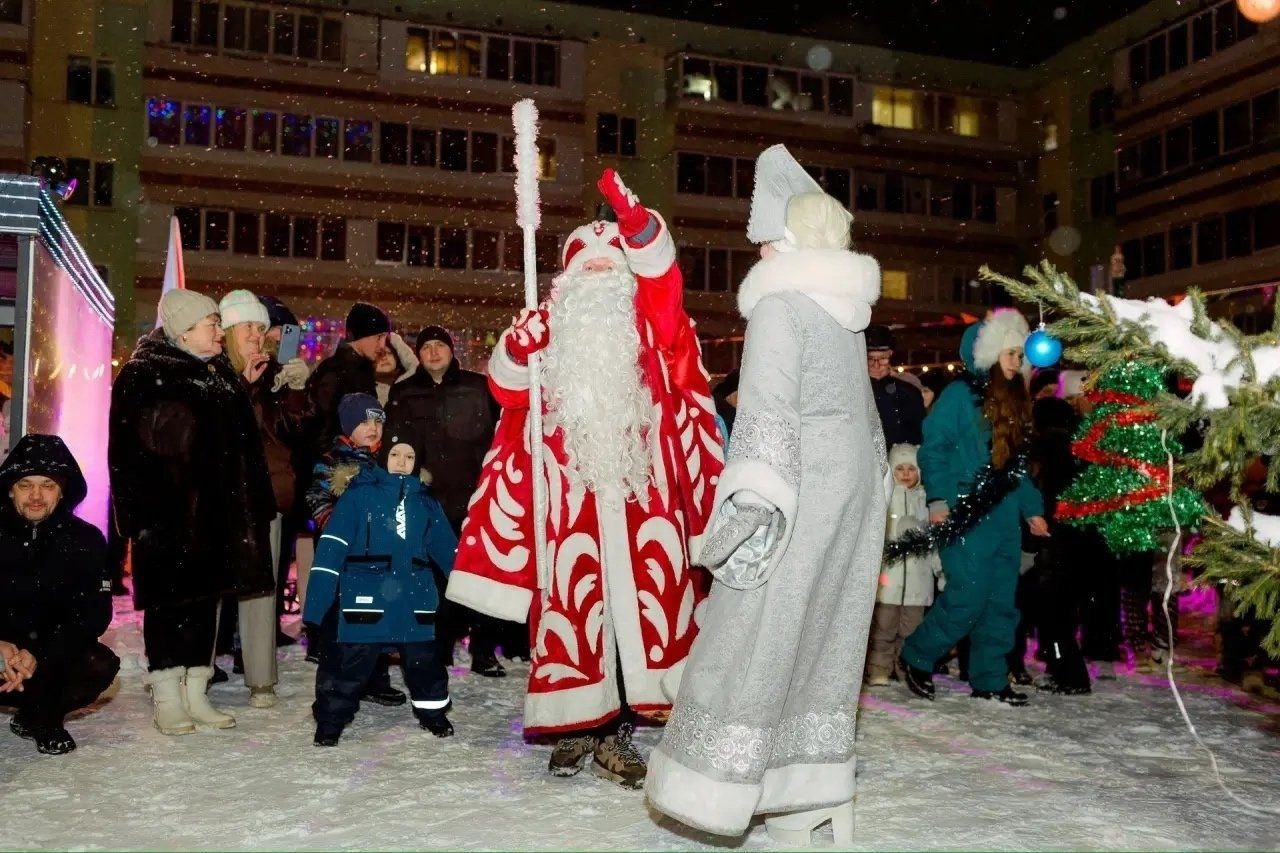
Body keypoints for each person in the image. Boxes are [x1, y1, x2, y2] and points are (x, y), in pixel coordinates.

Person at [446, 169, 724, 788]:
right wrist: (518, 349)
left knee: (640, 620)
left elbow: (665, 287)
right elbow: (505, 391)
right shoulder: (549, 334)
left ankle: (617, 730)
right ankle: (580, 726)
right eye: (586, 272)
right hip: (567, 508)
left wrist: (639, 226)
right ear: (567, 284)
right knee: (573, 620)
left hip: (640, 504)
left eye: (611, 270)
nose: (599, 280)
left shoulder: (653, 333)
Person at [647, 145, 885, 843]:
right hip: (847, 492)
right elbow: (863, 421)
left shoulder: (781, 305)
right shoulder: (845, 312)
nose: (755, 245)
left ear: (782, 238)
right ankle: (809, 792)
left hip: (797, 491)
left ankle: (724, 785)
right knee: (821, 635)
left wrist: (750, 504)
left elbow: (768, 413)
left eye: (762, 234)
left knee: (756, 633)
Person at [109, 289, 276, 735]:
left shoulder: (219, 373)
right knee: (168, 609)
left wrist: (253, 506)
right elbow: (125, 452)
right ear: (184, 331)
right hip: (166, 518)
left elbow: (242, 448)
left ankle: (196, 693)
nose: (220, 333)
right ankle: (167, 696)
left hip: (217, 516)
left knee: (205, 607)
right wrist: (137, 520)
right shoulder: (144, 375)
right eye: (212, 325)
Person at [899, 310, 1049, 706]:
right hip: (965, 513)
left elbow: (1017, 466)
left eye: (1021, 354)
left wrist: (1031, 509)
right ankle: (917, 654)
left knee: (1001, 601)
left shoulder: (1015, 402)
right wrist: (939, 500)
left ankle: (989, 678)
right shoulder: (959, 397)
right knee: (968, 595)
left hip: (1003, 519)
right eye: (1011, 353)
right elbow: (935, 450)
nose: (1018, 361)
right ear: (988, 354)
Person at [303, 441, 457, 746]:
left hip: (415, 595)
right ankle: (330, 721)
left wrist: (472, 588)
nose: (402, 462)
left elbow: (448, 551)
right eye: (395, 454)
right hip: (367, 595)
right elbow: (332, 546)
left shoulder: (426, 502)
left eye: (410, 456)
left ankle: (434, 714)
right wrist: (317, 604)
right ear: (383, 456)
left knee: (424, 662)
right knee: (349, 663)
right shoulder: (358, 495)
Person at [385, 325, 505, 677]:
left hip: (476, 498)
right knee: (435, 579)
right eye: (426, 347)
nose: (434, 352)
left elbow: (500, 435)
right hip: (429, 500)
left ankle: (484, 651)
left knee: (479, 576)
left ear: (452, 351)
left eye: (440, 345)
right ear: (418, 354)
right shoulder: (405, 392)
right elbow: (396, 445)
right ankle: (441, 646)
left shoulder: (478, 387)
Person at [219, 289, 312, 708]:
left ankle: (261, 679)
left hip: (269, 494)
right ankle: (197, 673)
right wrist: (245, 387)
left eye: (263, 328)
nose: (260, 337)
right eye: (251, 328)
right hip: (222, 497)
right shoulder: (215, 373)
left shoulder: (275, 373)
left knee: (262, 590)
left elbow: (296, 431)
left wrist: (295, 389)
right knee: (212, 589)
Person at [0, 435, 120, 754]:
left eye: (48, 484)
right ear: (10, 488)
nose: (36, 495)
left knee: (98, 663)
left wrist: (38, 652)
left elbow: (92, 615)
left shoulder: (86, 540)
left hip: (47, 658)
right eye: (26, 484)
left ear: (62, 490)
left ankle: (43, 716)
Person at [305, 392, 406, 706]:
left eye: (377, 420)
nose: (372, 427)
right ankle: (335, 684)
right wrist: (339, 527)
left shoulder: (384, 462)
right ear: (349, 426)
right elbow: (318, 500)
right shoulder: (332, 461)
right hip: (343, 558)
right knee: (339, 621)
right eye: (364, 421)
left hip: (376, 558)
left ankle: (375, 679)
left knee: (374, 617)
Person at [1027, 394, 1092, 694]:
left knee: (1053, 612)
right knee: (1065, 611)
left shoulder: (1044, 451)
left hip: (1055, 542)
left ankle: (1067, 673)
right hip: (1079, 541)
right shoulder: (1079, 450)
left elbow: (1043, 494)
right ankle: (1066, 670)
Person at [867, 443, 940, 686]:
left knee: (911, 629)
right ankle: (879, 668)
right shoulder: (885, 500)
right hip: (888, 581)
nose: (906, 473)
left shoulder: (926, 501)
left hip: (918, 583)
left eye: (912, 468)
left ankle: (903, 666)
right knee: (884, 629)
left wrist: (940, 570)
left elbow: (933, 542)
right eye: (900, 468)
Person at [866, 323, 926, 447]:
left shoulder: (909, 393)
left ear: (891, 355)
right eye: (870, 359)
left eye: (882, 358)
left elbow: (918, 437)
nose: (876, 365)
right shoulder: (853, 393)